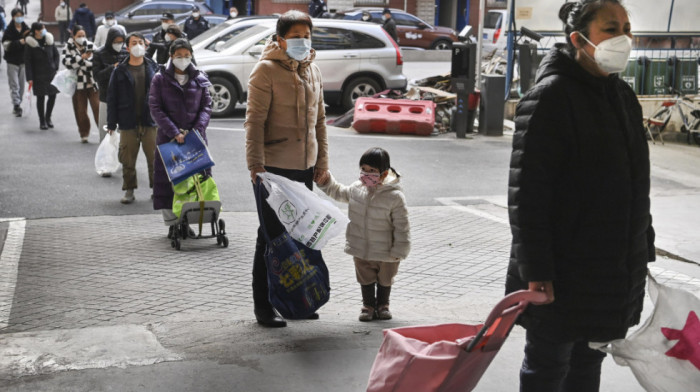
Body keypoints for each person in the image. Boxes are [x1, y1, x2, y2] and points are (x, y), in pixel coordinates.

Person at [505, 1, 655, 391]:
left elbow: (634, 183)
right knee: (547, 368)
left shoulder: (622, 97)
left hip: (609, 269)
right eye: (611, 28)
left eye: (626, 27)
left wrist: (642, 247)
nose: (624, 37)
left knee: (588, 365)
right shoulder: (550, 98)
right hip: (560, 271)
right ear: (578, 39)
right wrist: (537, 270)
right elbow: (528, 196)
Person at [245, 10, 329, 328]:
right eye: (295, 37)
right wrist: (255, 165)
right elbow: (253, 122)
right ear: (280, 39)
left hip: (304, 167)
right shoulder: (264, 71)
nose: (302, 42)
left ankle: (299, 301)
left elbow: (320, 122)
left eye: (306, 36)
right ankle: (264, 306)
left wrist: (322, 163)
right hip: (273, 169)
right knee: (271, 237)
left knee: (301, 235)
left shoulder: (313, 71)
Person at [315, 148, 410, 321]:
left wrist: (400, 251)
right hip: (361, 247)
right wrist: (326, 181)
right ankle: (368, 306)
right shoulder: (356, 189)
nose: (366, 174)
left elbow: (402, 227)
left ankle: (383, 305)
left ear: (384, 173)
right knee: (364, 277)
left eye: (372, 171)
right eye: (364, 169)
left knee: (385, 279)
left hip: (387, 251)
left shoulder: (395, 197)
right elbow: (338, 191)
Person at [149, 38, 212, 229]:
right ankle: (172, 224)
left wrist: (197, 130)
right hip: (169, 140)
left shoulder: (200, 77)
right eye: (179, 56)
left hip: (194, 140)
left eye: (186, 55)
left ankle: (189, 221)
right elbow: (155, 107)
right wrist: (174, 132)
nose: (183, 59)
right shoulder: (159, 78)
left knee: (196, 180)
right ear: (171, 56)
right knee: (168, 181)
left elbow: (206, 106)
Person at [106, 33, 158, 204]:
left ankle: (157, 189)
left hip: (150, 121)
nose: (137, 46)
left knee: (155, 158)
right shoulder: (119, 70)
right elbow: (112, 97)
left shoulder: (153, 67)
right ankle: (129, 190)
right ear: (127, 48)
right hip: (127, 121)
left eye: (140, 42)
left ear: (145, 45)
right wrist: (112, 123)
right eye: (133, 43)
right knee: (128, 159)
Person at [61, 24, 99, 143]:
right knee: (80, 111)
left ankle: (104, 132)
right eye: (79, 35)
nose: (82, 37)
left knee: (98, 108)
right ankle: (84, 133)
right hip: (77, 84)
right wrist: (82, 58)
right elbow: (67, 63)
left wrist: (82, 62)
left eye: (83, 35)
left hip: (92, 83)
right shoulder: (68, 46)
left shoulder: (91, 45)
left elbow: (97, 62)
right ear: (73, 35)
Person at [92, 26, 126, 144]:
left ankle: (120, 160)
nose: (118, 45)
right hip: (106, 97)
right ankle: (105, 159)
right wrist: (112, 68)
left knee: (123, 134)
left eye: (121, 42)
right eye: (116, 42)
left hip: (124, 98)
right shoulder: (99, 53)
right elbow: (96, 76)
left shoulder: (126, 51)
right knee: (106, 131)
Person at [24, 22, 58, 130]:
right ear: (36, 31)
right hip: (38, 74)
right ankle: (42, 121)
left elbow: (56, 54)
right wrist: (29, 77)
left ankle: (48, 117)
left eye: (44, 28)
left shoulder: (49, 40)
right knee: (41, 97)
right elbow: (28, 61)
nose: (44, 30)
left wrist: (55, 66)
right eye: (42, 29)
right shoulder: (30, 43)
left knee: (53, 95)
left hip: (50, 73)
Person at [2, 8, 28, 117]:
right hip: (12, 61)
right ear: (13, 17)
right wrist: (19, 42)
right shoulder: (8, 31)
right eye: (17, 16)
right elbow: (6, 45)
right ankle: (16, 105)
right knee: (14, 85)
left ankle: (19, 101)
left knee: (21, 85)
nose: (19, 18)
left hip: (23, 61)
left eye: (21, 15)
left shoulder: (26, 29)